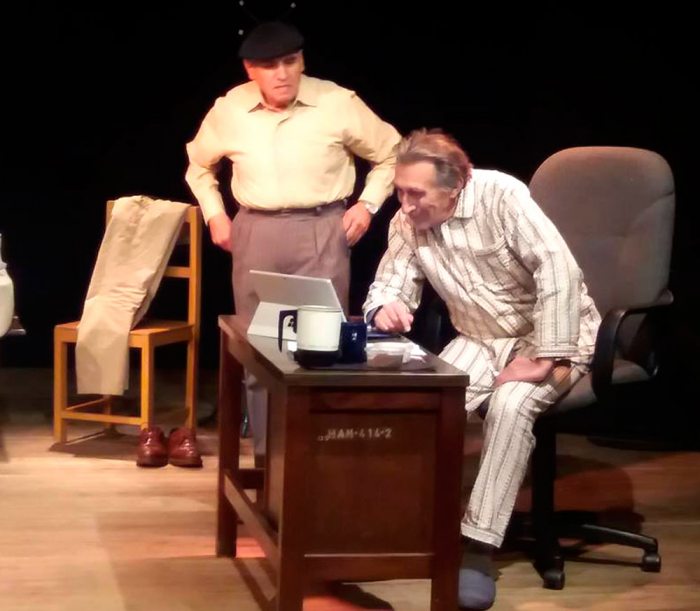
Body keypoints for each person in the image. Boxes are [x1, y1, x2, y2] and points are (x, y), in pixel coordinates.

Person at [363, 129, 601, 610]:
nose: (405, 205)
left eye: (416, 193)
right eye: (400, 191)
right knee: (422, 402)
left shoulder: (501, 196)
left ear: (454, 186)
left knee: (511, 405)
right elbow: (391, 281)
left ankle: (477, 548)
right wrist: (384, 306)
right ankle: (403, 522)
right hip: (479, 338)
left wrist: (546, 354)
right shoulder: (408, 221)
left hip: (552, 337)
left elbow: (557, 267)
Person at [185, 21, 401, 464]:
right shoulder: (230, 109)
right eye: (269, 66)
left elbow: (392, 152)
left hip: (321, 229)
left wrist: (367, 206)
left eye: (290, 61)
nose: (282, 73)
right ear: (251, 70)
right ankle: (268, 462)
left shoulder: (336, 102)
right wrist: (215, 214)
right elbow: (198, 165)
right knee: (260, 349)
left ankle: (315, 461)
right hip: (256, 231)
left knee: (320, 346)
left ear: (302, 61)